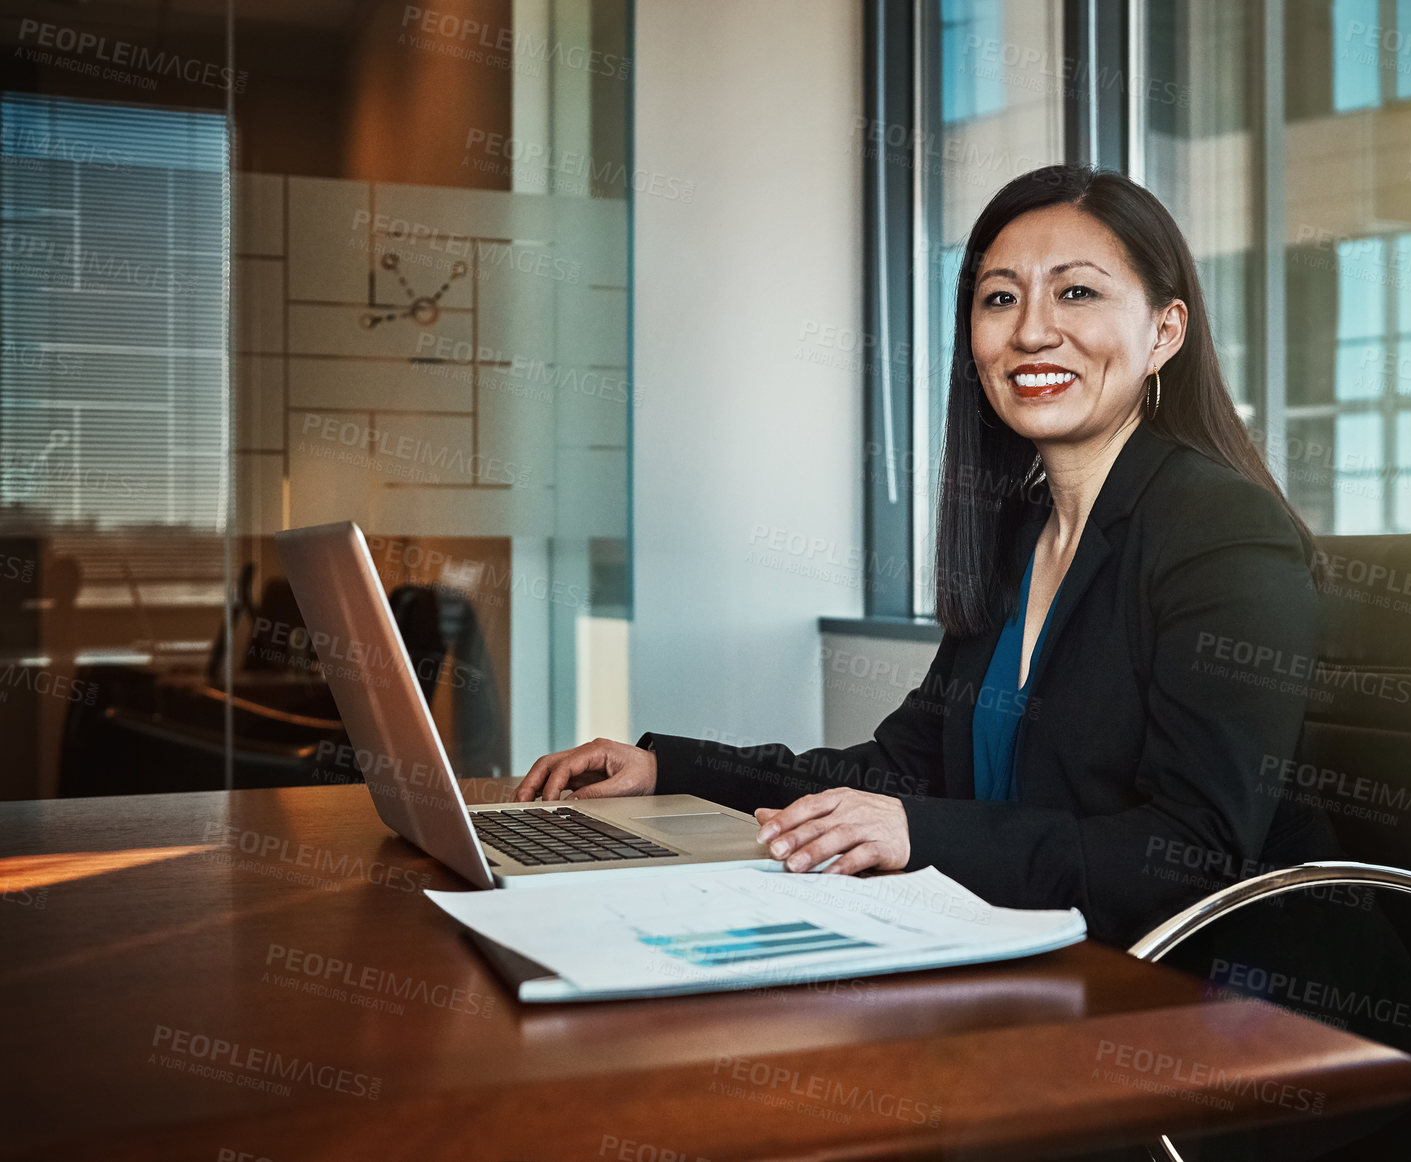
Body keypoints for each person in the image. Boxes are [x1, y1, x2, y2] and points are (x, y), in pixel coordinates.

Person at [515, 163, 1334, 951]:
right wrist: (670, 767)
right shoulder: (1022, 533)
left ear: (1164, 331)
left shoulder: (1223, 531)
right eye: (998, 299)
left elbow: (1192, 852)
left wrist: (920, 832)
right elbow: (905, 771)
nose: (1031, 330)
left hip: (1229, 1004)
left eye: (1076, 291)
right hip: (1038, 954)